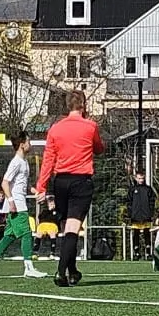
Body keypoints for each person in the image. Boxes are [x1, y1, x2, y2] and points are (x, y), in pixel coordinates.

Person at [36, 91, 105, 287]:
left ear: (67, 106)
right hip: (80, 181)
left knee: (67, 228)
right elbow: (99, 148)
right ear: (83, 104)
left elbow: (48, 159)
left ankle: (72, 271)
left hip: (60, 182)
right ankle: (60, 272)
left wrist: (41, 186)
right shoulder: (90, 126)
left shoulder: (55, 129)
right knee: (73, 229)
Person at [0, 131, 45, 279]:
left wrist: (35, 192)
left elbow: (23, 184)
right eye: (28, 141)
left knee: (8, 237)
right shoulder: (16, 162)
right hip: (17, 204)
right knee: (27, 234)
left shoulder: (24, 162)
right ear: (22, 145)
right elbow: (5, 183)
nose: (30, 144)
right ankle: (29, 268)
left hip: (18, 202)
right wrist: (11, 201)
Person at [125, 170, 159, 260]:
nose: (141, 180)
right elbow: (129, 202)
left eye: (142, 178)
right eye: (139, 178)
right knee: (136, 233)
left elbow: (152, 202)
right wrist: (130, 213)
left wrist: (150, 213)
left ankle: (148, 253)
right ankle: (136, 253)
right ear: (136, 178)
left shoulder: (148, 189)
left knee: (147, 233)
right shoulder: (132, 189)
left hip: (146, 216)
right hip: (135, 216)